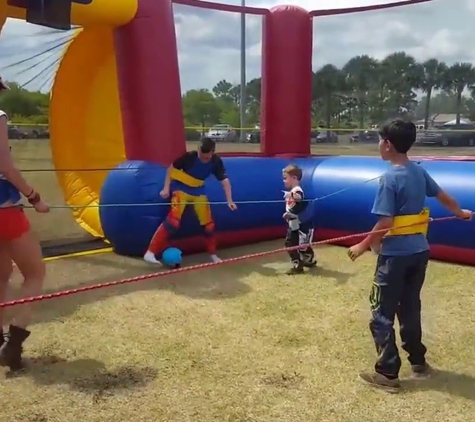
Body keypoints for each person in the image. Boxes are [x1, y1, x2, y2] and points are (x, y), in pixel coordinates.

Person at [347, 119, 472, 393]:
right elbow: (443, 196)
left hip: (395, 257)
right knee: (410, 308)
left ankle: (388, 373)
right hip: (419, 252)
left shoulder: (389, 179)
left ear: (388, 145)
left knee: (381, 313)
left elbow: (384, 223)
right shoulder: (417, 171)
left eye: (380, 140)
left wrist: (362, 245)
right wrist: (460, 212)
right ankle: (418, 361)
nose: (379, 145)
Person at [0, 75, 50, 371]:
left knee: (1, 274)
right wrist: (34, 197)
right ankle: (14, 346)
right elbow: (4, 166)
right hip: (5, 210)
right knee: (34, 273)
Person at [144, 137, 237, 265]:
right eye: (201, 156)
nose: (203, 159)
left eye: (206, 157)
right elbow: (171, 168)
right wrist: (166, 188)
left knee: (209, 226)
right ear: (198, 150)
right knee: (173, 222)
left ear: (212, 152)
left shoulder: (216, 161)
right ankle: (150, 253)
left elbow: (225, 181)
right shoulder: (189, 157)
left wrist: (230, 200)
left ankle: (213, 254)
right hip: (181, 189)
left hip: (198, 191)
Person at [282, 164, 316, 275]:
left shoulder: (297, 190)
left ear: (294, 178)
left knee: (301, 245)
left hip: (301, 225)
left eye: (285, 178)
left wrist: (291, 195)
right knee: (290, 243)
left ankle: (304, 261)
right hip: (294, 224)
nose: (284, 181)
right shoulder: (293, 190)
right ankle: (300, 263)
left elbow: (299, 198)